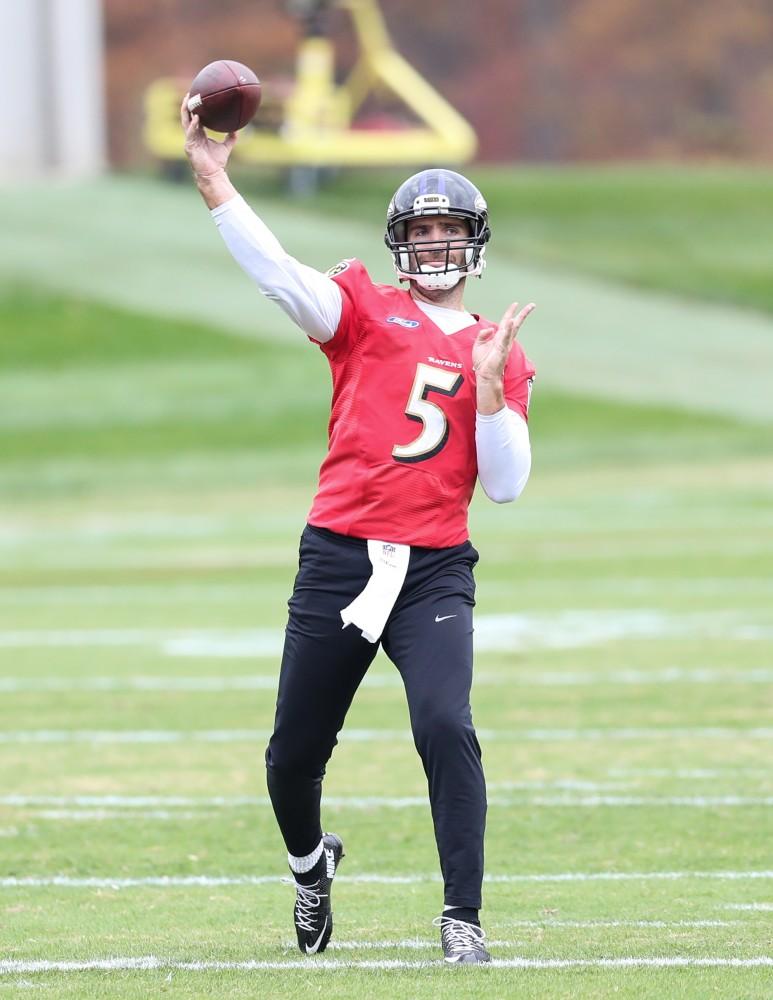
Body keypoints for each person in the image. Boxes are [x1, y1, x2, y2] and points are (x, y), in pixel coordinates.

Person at [181, 96, 536, 964]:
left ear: (476, 243)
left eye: (451, 229)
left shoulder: (500, 347)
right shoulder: (364, 309)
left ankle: (463, 917)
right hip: (341, 555)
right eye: (421, 231)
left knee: (445, 724)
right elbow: (276, 275)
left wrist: (489, 391)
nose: (436, 245)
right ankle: (309, 867)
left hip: (433, 570)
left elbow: (508, 487)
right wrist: (213, 178)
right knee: (291, 754)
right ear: (397, 244)